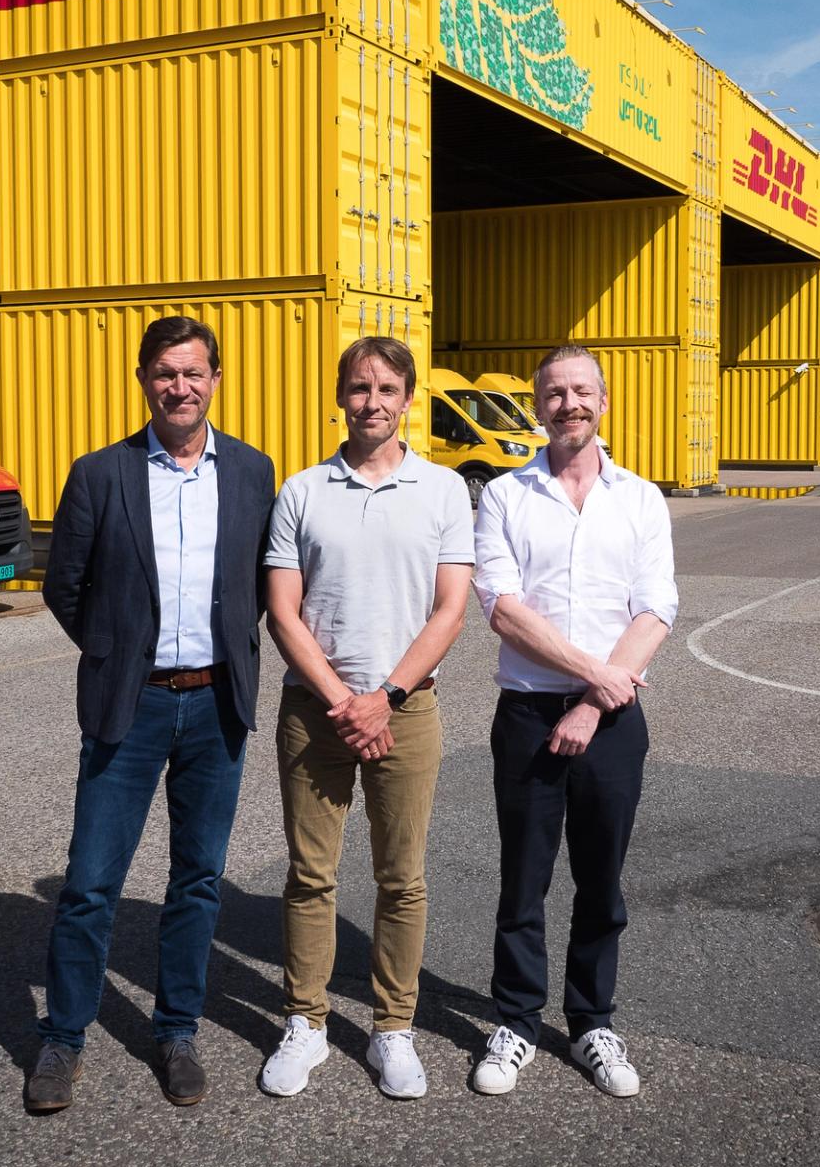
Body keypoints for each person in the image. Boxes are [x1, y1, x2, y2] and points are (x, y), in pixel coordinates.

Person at [32, 315, 277, 1112]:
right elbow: (63, 585)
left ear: (215, 379)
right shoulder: (100, 473)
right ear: (144, 379)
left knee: (197, 880)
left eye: (194, 372)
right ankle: (62, 1040)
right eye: (166, 372)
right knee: (92, 883)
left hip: (215, 705)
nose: (180, 386)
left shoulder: (250, 471)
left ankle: (176, 1031)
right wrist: (114, 652)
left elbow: (260, 584)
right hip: (128, 706)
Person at [258, 338, 474, 1100]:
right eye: (359, 388)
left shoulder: (444, 491)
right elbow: (282, 612)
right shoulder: (303, 490)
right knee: (310, 875)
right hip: (315, 714)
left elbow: (451, 611)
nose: (372, 401)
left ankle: (392, 1029)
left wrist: (385, 697)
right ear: (341, 396)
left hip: (406, 712)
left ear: (409, 398)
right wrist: (343, 699)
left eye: (386, 388)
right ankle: (306, 1023)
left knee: (401, 877)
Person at [469, 344, 677, 1099]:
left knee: (601, 883)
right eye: (554, 393)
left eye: (581, 390)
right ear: (537, 405)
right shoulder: (504, 496)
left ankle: (593, 1022)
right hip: (528, 717)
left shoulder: (642, 498)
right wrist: (595, 674)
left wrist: (594, 702)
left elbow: (658, 608)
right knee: (523, 882)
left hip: (613, 724)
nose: (569, 404)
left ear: (604, 400)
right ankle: (517, 1024)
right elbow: (502, 608)